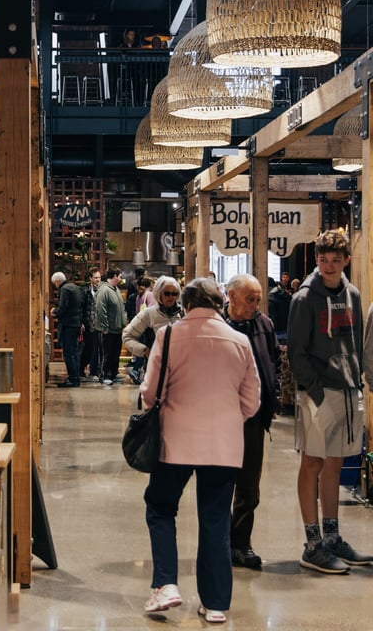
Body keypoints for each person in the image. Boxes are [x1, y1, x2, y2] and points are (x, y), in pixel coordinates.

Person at [141, 277, 260, 623]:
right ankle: (216, 603)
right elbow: (252, 401)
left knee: (161, 508)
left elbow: (150, 392)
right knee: (215, 520)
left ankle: (166, 585)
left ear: (187, 305)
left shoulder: (170, 335)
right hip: (223, 446)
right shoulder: (239, 341)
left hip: (174, 442)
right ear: (220, 304)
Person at [288, 230, 372, 574]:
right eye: (323, 260)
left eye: (336, 260)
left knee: (336, 463)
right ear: (317, 259)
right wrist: (314, 391)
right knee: (313, 462)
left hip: (349, 388)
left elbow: (357, 341)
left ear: (345, 261)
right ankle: (312, 544)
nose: (329, 265)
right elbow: (296, 350)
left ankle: (332, 537)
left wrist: (359, 382)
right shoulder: (305, 298)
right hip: (319, 392)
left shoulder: (352, 294)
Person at [222, 274, 280, 570]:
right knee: (219, 482)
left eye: (258, 299)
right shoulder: (218, 327)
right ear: (231, 296)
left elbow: (274, 362)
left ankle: (241, 543)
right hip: (221, 418)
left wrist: (273, 395)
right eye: (250, 299)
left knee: (249, 486)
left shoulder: (264, 325)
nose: (255, 305)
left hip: (254, 418)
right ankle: (219, 542)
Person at [122, 276, 182, 385]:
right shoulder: (148, 314)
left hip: (179, 372)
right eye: (167, 293)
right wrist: (145, 351)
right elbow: (127, 336)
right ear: (159, 293)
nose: (171, 297)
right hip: (155, 371)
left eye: (175, 294)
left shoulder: (182, 314)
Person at [50, 271, 84, 388]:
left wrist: (55, 312)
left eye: (54, 283)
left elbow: (63, 306)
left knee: (68, 353)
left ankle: (72, 379)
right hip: (76, 323)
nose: (55, 285)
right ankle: (76, 378)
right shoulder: (75, 287)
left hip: (68, 324)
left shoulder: (64, 289)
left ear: (57, 281)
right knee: (74, 352)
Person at [94, 266, 126, 386]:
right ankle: (105, 374)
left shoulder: (115, 289)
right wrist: (104, 326)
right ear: (114, 276)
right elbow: (101, 309)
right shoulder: (104, 290)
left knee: (115, 353)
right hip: (108, 329)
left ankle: (113, 373)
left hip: (117, 328)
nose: (121, 279)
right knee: (107, 353)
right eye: (120, 276)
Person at [79, 267, 102, 380]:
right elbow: (81, 308)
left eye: (99, 277)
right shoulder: (85, 291)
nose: (98, 280)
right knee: (88, 347)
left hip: (98, 323)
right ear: (90, 278)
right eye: (96, 277)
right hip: (88, 323)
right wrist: (82, 322)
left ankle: (96, 370)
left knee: (96, 347)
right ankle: (81, 367)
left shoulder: (102, 290)